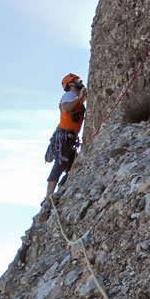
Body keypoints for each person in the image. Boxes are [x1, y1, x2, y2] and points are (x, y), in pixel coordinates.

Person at [43, 73, 87, 204]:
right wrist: (80, 97)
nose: (81, 81)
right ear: (71, 84)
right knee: (61, 163)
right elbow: (66, 108)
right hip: (65, 135)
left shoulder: (76, 98)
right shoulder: (69, 96)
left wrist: (82, 97)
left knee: (69, 167)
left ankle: (58, 191)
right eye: (77, 80)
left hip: (69, 137)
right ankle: (48, 196)